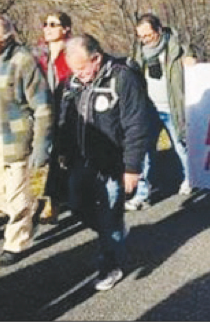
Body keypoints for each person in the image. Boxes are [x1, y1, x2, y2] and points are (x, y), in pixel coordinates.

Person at [59, 35, 153, 291]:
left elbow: (136, 125)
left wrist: (132, 168)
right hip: (82, 160)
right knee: (77, 206)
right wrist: (64, 150)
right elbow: (66, 119)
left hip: (113, 163)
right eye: (74, 69)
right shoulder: (73, 82)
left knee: (110, 214)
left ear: (96, 59)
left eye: (82, 68)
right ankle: (113, 233)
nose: (78, 74)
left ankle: (110, 265)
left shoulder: (122, 78)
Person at [0, 13, 52, 267]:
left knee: (16, 196)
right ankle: (33, 209)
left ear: (6, 39)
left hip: (17, 138)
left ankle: (15, 244)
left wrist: (41, 145)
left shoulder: (23, 61)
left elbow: (43, 107)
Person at [127, 13, 195, 210]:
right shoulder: (139, 53)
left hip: (173, 107)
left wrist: (191, 61)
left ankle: (191, 179)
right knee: (143, 152)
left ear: (158, 30)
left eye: (148, 35)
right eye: (141, 37)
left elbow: (191, 65)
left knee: (181, 146)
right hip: (148, 109)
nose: (145, 40)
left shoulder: (177, 49)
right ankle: (142, 193)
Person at [33, 11, 73, 224]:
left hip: (69, 111)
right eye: (45, 24)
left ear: (65, 29)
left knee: (66, 158)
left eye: (53, 24)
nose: (47, 28)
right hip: (46, 111)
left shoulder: (73, 51)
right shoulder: (39, 54)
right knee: (53, 159)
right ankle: (54, 205)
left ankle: (61, 203)